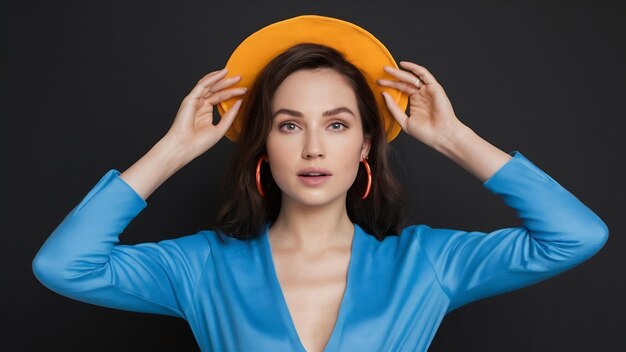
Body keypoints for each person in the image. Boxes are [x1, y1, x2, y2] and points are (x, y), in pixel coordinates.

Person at [32, 15, 608, 352]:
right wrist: (174, 149)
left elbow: (574, 235)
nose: (312, 147)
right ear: (263, 144)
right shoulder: (202, 266)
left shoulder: (427, 263)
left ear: (364, 146)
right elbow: (64, 266)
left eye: (336, 124)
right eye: (289, 125)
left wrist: (453, 137)